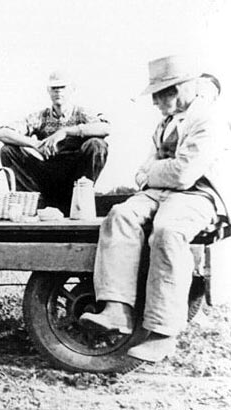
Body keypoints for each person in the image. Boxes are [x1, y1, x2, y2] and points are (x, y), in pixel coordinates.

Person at [80, 55, 231, 362]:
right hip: (158, 191)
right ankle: (116, 310)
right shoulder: (166, 122)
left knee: (168, 231)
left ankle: (163, 332)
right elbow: (145, 168)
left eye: (164, 93)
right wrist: (151, 172)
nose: (157, 102)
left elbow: (184, 173)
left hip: (198, 194)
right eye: (157, 94)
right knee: (120, 216)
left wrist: (150, 172)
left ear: (185, 88)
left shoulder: (207, 119)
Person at [0, 71, 111, 215]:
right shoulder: (40, 116)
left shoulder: (82, 113)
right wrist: (34, 144)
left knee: (97, 144)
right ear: (48, 91)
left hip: (76, 177)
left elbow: (105, 128)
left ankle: (81, 200)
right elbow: (1, 133)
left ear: (72, 89)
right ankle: (35, 203)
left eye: (62, 87)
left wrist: (65, 132)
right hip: (47, 174)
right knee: (8, 150)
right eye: (54, 88)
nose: (58, 92)